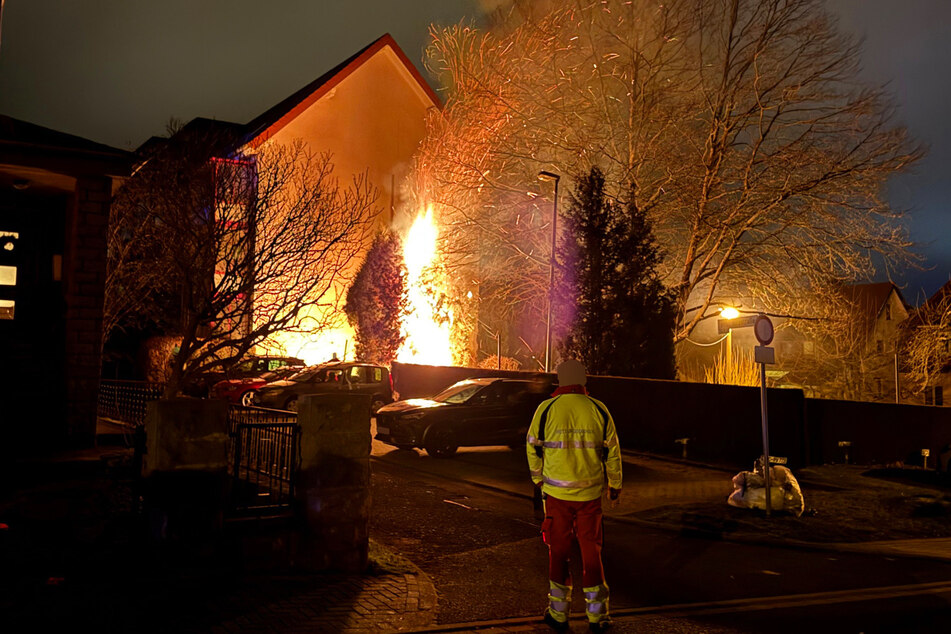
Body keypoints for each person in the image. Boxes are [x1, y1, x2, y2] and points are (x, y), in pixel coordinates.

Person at [526, 359, 622, 632]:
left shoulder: (546, 409)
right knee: (592, 553)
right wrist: (615, 484)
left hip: (555, 495)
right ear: (583, 381)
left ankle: (558, 614)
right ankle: (598, 616)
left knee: (558, 553)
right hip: (590, 495)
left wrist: (538, 479)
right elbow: (613, 450)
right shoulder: (598, 409)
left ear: (559, 380)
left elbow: (532, 446)